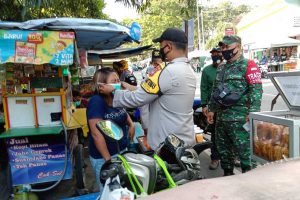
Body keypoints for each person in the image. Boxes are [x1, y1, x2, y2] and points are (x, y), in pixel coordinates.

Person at [100, 28, 197, 151]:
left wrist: (113, 91)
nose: (160, 50)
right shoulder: (189, 70)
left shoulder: (165, 71)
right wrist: (126, 86)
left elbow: (138, 98)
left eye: (161, 46)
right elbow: (152, 92)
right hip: (185, 138)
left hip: (168, 145)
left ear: (168, 47)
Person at [207, 35, 263, 176]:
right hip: (222, 120)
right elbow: (215, 91)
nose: (224, 50)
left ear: (238, 47)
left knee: (246, 156)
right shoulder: (221, 68)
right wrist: (211, 110)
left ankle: (250, 185)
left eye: (227, 47)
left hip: (241, 120)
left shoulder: (249, 65)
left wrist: (253, 113)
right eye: (222, 47)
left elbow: (256, 90)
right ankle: (228, 178)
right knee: (224, 153)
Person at [86, 67, 135, 190]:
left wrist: (131, 124)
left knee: (123, 189)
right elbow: (96, 133)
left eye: (118, 80)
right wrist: (108, 160)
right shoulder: (96, 102)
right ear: (102, 85)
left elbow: (123, 112)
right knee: (110, 191)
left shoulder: (115, 97)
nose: (117, 84)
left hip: (121, 151)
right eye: (114, 81)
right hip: (105, 157)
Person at [201, 47, 223, 170]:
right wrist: (204, 105)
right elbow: (203, 88)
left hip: (228, 109)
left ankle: (233, 157)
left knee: (229, 133)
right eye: (214, 54)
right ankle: (215, 158)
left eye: (218, 53)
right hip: (213, 108)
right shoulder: (207, 71)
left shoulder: (228, 69)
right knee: (214, 134)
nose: (216, 56)